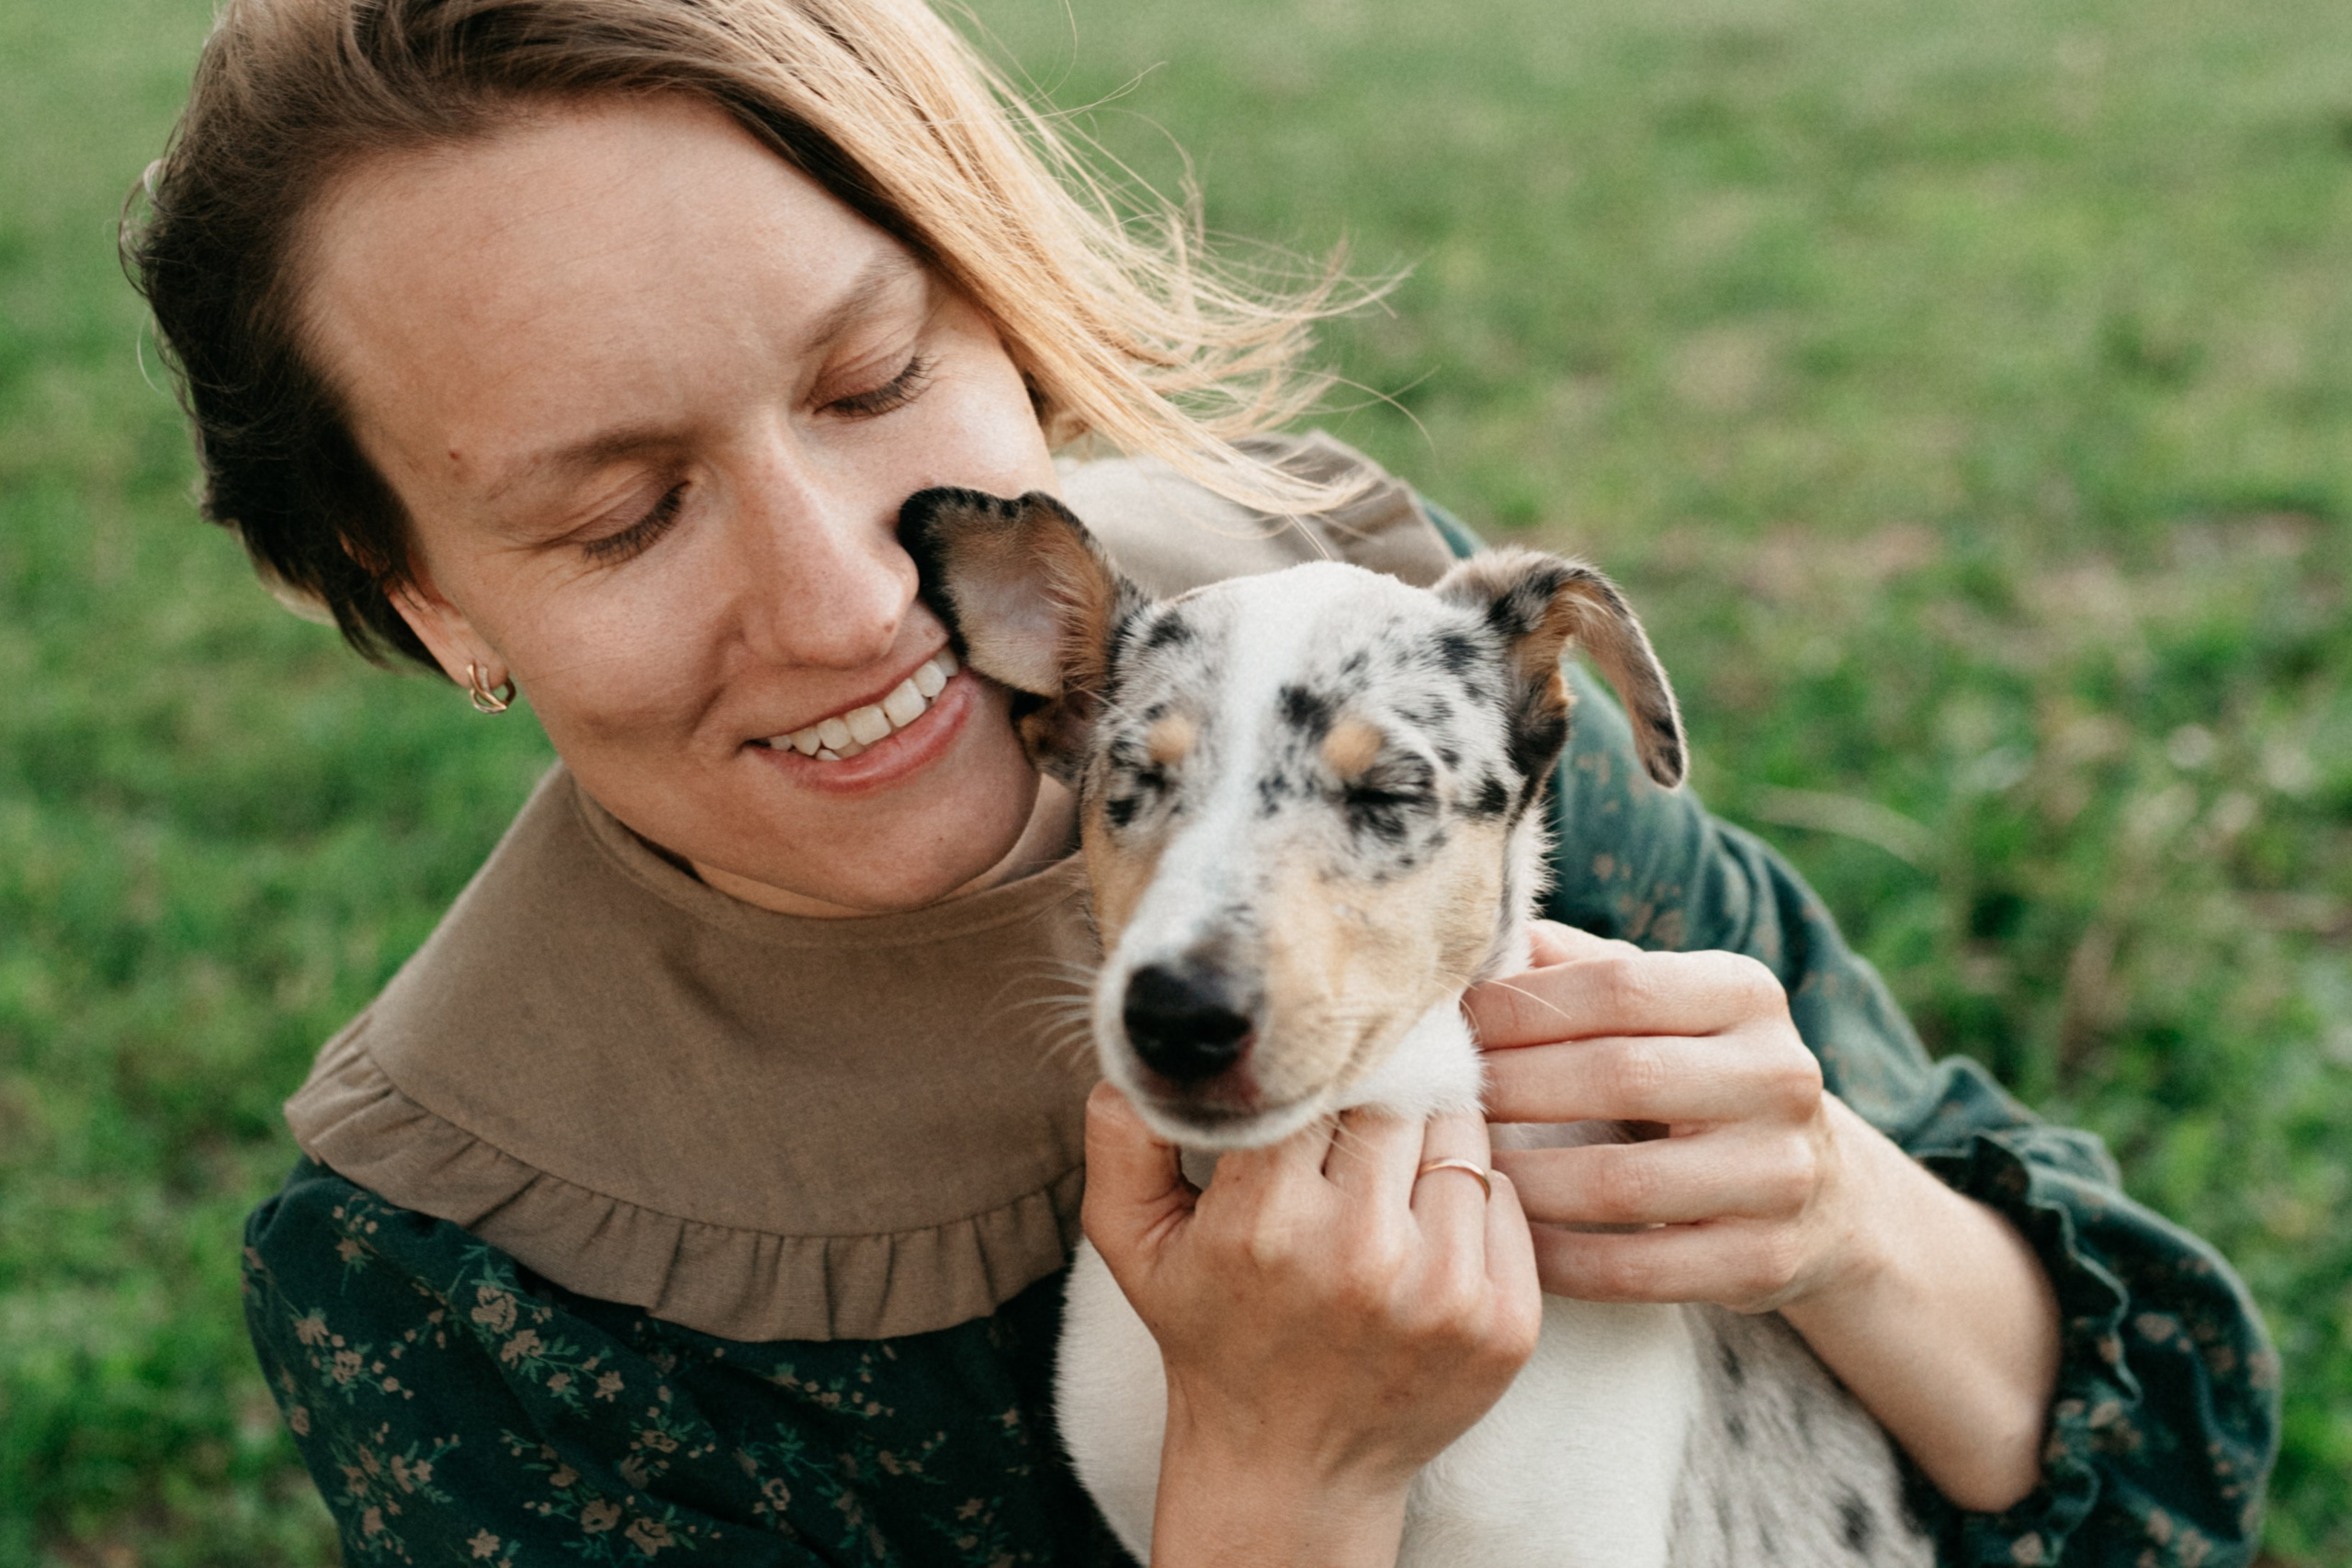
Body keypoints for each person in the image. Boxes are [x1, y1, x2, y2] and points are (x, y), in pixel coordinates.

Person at [127, 1, 2277, 1562]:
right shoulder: (463, 1281)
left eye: (875, 379)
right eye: (616, 514)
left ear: (1003, 308)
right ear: (418, 598)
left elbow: (2155, 1468)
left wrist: (1831, 1212)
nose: (850, 602)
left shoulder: (1380, 672)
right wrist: (1277, 1484)